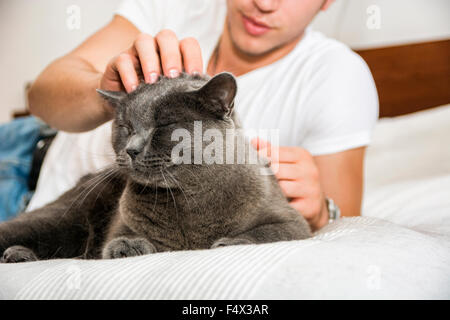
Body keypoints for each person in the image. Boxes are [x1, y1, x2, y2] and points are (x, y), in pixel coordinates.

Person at [26, 0, 378, 231]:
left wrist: (321, 212)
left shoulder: (335, 76)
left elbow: (344, 222)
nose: (264, 4)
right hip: (34, 177)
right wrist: (111, 96)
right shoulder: (174, 8)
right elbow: (41, 95)